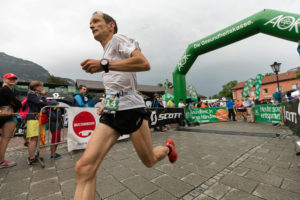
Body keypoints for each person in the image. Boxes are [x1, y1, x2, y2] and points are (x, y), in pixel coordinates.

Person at [74, 12, 177, 200]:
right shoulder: (105, 53)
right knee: (84, 168)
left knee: (149, 160)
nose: (91, 25)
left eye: (96, 21)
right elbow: (115, 85)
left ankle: (169, 149)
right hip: (113, 113)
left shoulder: (118, 39)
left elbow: (144, 63)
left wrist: (104, 64)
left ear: (111, 25)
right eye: (90, 23)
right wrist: (105, 102)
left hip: (131, 110)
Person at [26, 81, 58, 164]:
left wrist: (44, 102)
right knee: (33, 139)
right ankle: (31, 158)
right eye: (41, 86)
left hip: (40, 118)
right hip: (33, 118)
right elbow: (40, 103)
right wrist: (45, 102)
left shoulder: (39, 94)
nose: (42, 87)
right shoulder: (31, 94)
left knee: (37, 138)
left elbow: (43, 102)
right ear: (36, 86)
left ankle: (35, 155)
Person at [0, 73, 22, 169]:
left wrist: (14, 101)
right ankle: (1, 161)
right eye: (10, 78)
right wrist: (15, 101)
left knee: (4, 138)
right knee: (6, 138)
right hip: (8, 115)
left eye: (14, 79)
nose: (12, 80)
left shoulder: (8, 89)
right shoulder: (6, 90)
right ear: (4, 79)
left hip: (5, 115)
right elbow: (18, 104)